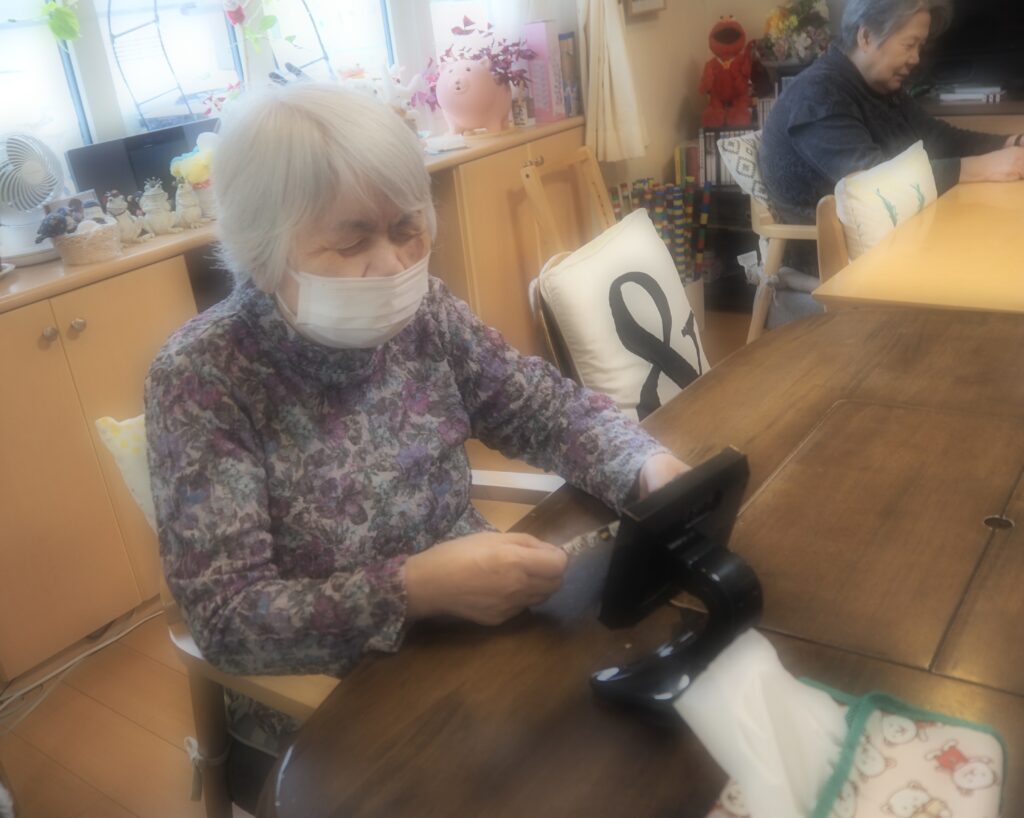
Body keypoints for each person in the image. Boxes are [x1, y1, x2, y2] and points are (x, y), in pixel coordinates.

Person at [145, 83, 688, 758]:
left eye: (407, 228)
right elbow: (228, 619)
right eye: (352, 241)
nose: (394, 264)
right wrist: (414, 590)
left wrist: (644, 465)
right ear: (261, 252)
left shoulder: (425, 311)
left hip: (484, 621)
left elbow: (541, 408)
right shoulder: (203, 376)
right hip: (329, 685)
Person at [760, 0, 1024, 225]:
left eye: (920, 47)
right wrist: (980, 168)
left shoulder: (881, 86)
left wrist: (1010, 142)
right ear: (866, 37)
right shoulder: (818, 95)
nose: (916, 58)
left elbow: (937, 137)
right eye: (909, 45)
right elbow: (874, 183)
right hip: (830, 255)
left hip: (900, 230)